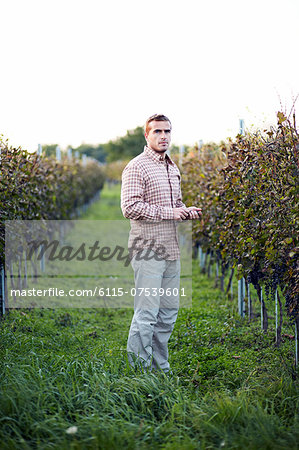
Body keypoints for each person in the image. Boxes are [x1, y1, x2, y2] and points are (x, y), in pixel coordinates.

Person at [121, 113, 202, 374]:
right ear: (147, 135)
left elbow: (174, 205)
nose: (163, 136)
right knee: (146, 314)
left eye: (167, 131)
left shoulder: (172, 167)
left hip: (171, 249)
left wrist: (185, 209)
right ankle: (139, 373)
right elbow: (129, 207)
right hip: (147, 250)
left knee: (167, 314)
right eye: (157, 132)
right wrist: (170, 213)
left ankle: (160, 369)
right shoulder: (137, 166)